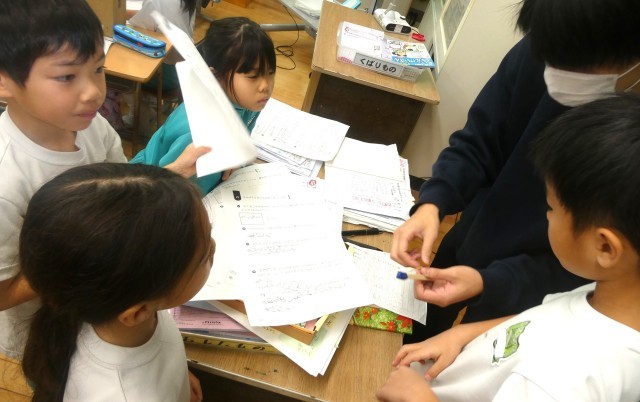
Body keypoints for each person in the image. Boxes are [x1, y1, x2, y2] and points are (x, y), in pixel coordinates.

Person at [391, 0, 640, 341]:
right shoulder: (554, 36)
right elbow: (479, 139)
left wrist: (491, 285)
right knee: (415, 333)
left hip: (544, 292)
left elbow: (603, 269)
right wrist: (433, 203)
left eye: (578, 61)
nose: (555, 69)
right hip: (476, 237)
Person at [376, 94, 640, 402]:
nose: (547, 216)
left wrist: (418, 397)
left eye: (551, 208)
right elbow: (538, 323)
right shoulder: (607, 295)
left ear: (605, 247)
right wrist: (462, 334)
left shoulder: (560, 383)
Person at [0, 0, 207, 360]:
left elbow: (120, 194)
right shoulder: (7, 179)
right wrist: (72, 252)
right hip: (46, 336)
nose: (94, 92)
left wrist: (174, 171)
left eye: (98, 68)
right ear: (4, 82)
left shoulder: (92, 125)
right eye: (67, 77)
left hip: (104, 311)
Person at [21, 163, 213, 402]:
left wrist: (177, 377)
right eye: (205, 256)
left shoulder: (117, 301)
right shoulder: (120, 395)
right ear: (137, 312)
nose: (214, 246)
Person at [130, 16, 276, 194]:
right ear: (216, 76)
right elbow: (166, 188)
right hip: (150, 191)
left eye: (270, 73)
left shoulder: (249, 103)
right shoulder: (196, 134)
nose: (265, 86)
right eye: (253, 76)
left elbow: (243, 139)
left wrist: (238, 158)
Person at [127, 0, 198, 90]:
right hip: (184, 69)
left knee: (118, 58)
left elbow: (136, 33)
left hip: (165, 75)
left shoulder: (156, 2)